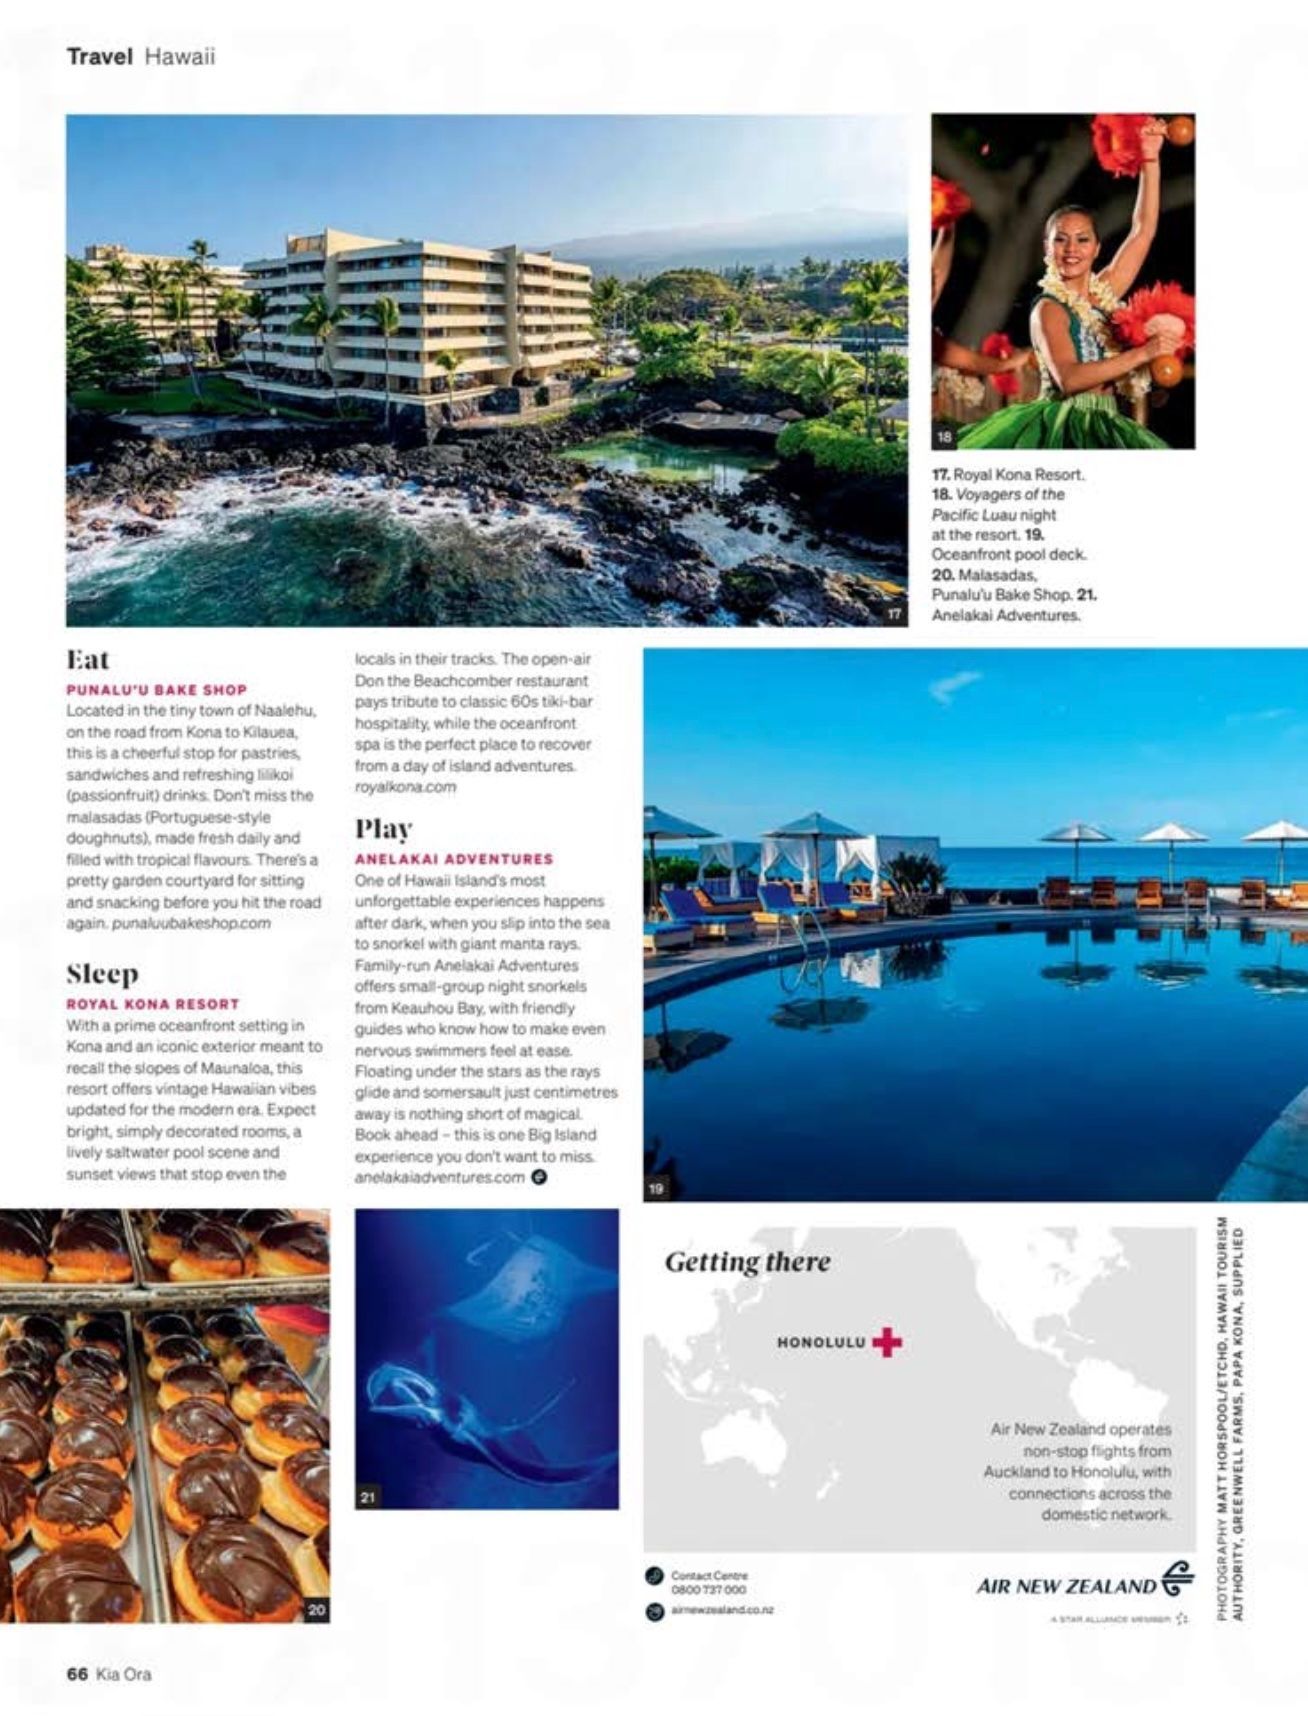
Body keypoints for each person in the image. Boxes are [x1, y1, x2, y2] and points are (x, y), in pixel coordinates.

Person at [959, 119, 1181, 448]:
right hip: (1064, 425)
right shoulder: (1048, 309)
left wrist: (1150, 158)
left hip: (1108, 419)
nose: (1071, 249)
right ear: (1047, 249)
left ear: (1097, 248)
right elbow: (1070, 378)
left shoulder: (1105, 292)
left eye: (1082, 239)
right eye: (1060, 240)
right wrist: (1143, 354)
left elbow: (1142, 230)